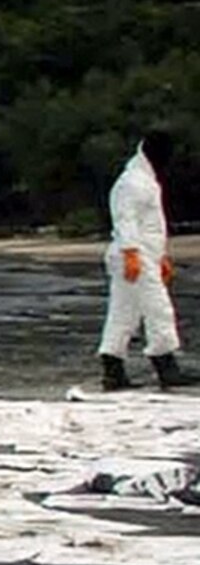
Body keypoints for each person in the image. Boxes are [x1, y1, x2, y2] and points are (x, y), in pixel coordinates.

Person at [100, 132, 184, 391]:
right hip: (135, 255)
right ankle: (165, 363)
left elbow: (151, 226)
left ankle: (112, 366)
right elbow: (125, 219)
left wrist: (160, 256)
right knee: (158, 308)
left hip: (143, 254)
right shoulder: (132, 183)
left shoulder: (143, 180)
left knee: (124, 312)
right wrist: (131, 253)